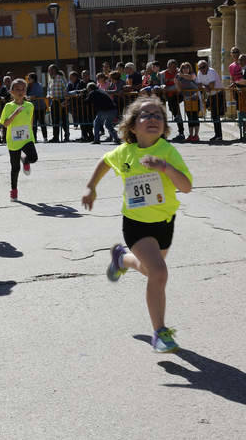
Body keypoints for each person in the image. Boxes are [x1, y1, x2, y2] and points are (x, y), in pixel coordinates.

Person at [81, 95, 193, 353]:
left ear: (164, 126)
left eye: (158, 115)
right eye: (146, 115)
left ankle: (122, 259)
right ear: (132, 126)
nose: (153, 118)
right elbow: (105, 161)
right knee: (160, 273)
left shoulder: (168, 151)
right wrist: (91, 187)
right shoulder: (125, 153)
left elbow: (186, 187)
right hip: (136, 224)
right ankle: (160, 333)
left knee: (149, 270)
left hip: (165, 222)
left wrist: (164, 167)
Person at [0, 78, 38, 202]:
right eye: (17, 89)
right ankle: (14, 190)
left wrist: (32, 134)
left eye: (23, 89)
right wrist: (15, 113)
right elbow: (5, 124)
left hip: (27, 138)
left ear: (26, 91)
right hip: (13, 140)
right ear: (11, 92)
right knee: (15, 168)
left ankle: (25, 160)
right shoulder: (8, 106)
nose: (20, 92)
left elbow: (30, 121)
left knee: (34, 158)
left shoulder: (30, 105)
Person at [195, 60, 223, 142]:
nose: (202, 69)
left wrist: (205, 87)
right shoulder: (199, 73)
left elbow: (211, 86)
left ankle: (219, 135)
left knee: (216, 115)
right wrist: (205, 87)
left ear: (207, 66)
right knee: (214, 115)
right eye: (200, 68)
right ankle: (217, 135)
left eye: (203, 67)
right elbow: (199, 85)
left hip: (218, 94)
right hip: (210, 95)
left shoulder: (211, 71)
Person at [175, 62, 201, 142]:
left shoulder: (193, 74)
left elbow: (190, 78)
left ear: (189, 68)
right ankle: (190, 135)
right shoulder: (179, 77)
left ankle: (196, 135)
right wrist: (176, 82)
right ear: (181, 69)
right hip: (187, 98)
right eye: (183, 68)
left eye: (187, 67)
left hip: (195, 97)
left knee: (195, 116)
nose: (185, 69)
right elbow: (179, 89)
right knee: (190, 117)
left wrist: (181, 75)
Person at [161, 59, 185, 140]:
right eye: (170, 66)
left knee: (176, 110)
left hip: (178, 95)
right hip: (169, 96)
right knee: (174, 110)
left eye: (174, 66)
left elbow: (179, 85)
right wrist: (164, 87)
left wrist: (169, 88)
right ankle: (180, 132)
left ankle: (181, 132)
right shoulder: (164, 74)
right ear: (167, 66)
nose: (172, 68)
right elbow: (162, 84)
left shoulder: (178, 73)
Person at [46, 65, 70, 142]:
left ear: (55, 70)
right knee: (54, 120)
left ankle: (66, 136)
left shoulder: (60, 78)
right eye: (49, 70)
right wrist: (48, 95)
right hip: (54, 101)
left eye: (51, 70)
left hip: (61, 101)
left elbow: (66, 88)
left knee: (63, 119)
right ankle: (55, 137)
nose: (49, 72)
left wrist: (65, 100)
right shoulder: (50, 80)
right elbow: (49, 90)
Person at [26, 72, 48, 143]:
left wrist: (28, 98)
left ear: (33, 79)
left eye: (29, 78)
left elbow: (35, 96)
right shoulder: (28, 86)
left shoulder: (38, 85)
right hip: (32, 107)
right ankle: (34, 138)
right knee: (33, 123)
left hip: (40, 107)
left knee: (42, 122)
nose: (28, 79)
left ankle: (45, 137)